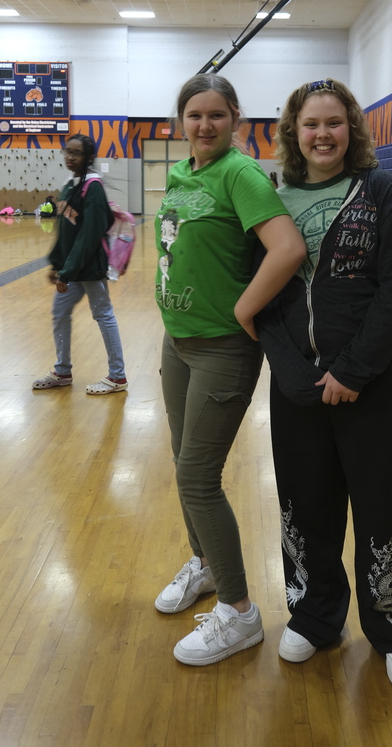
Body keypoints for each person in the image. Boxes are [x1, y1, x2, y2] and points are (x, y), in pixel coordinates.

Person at [257, 78, 392, 692]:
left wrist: (352, 370)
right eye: (310, 124)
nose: (322, 134)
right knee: (304, 504)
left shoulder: (384, 194)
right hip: (298, 387)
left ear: (351, 128)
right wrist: (297, 374)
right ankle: (315, 614)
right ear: (292, 133)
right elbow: (264, 299)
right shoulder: (271, 199)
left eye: (334, 122)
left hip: (375, 385)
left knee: (384, 504)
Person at [154, 74, 305, 667]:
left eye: (217, 115)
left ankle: (240, 613)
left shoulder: (239, 173)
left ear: (236, 119)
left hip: (222, 348)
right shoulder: (182, 172)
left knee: (197, 477)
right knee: (181, 462)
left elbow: (287, 248)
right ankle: (208, 566)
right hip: (178, 342)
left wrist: (246, 306)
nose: (205, 125)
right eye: (194, 115)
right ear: (181, 121)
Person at [32, 134, 128, 395]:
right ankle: (62, 370)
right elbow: (65, 231)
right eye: (67, 151)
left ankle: (117, 376)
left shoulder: (93, 188)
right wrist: (56, 264)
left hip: (90, 268)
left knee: (103, 316)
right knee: (59, 312)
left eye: (77, 153)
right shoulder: (69, 185)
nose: (70, 157)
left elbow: (89, 236)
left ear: (89, 158)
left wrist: (68, 272)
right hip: (71, 269)